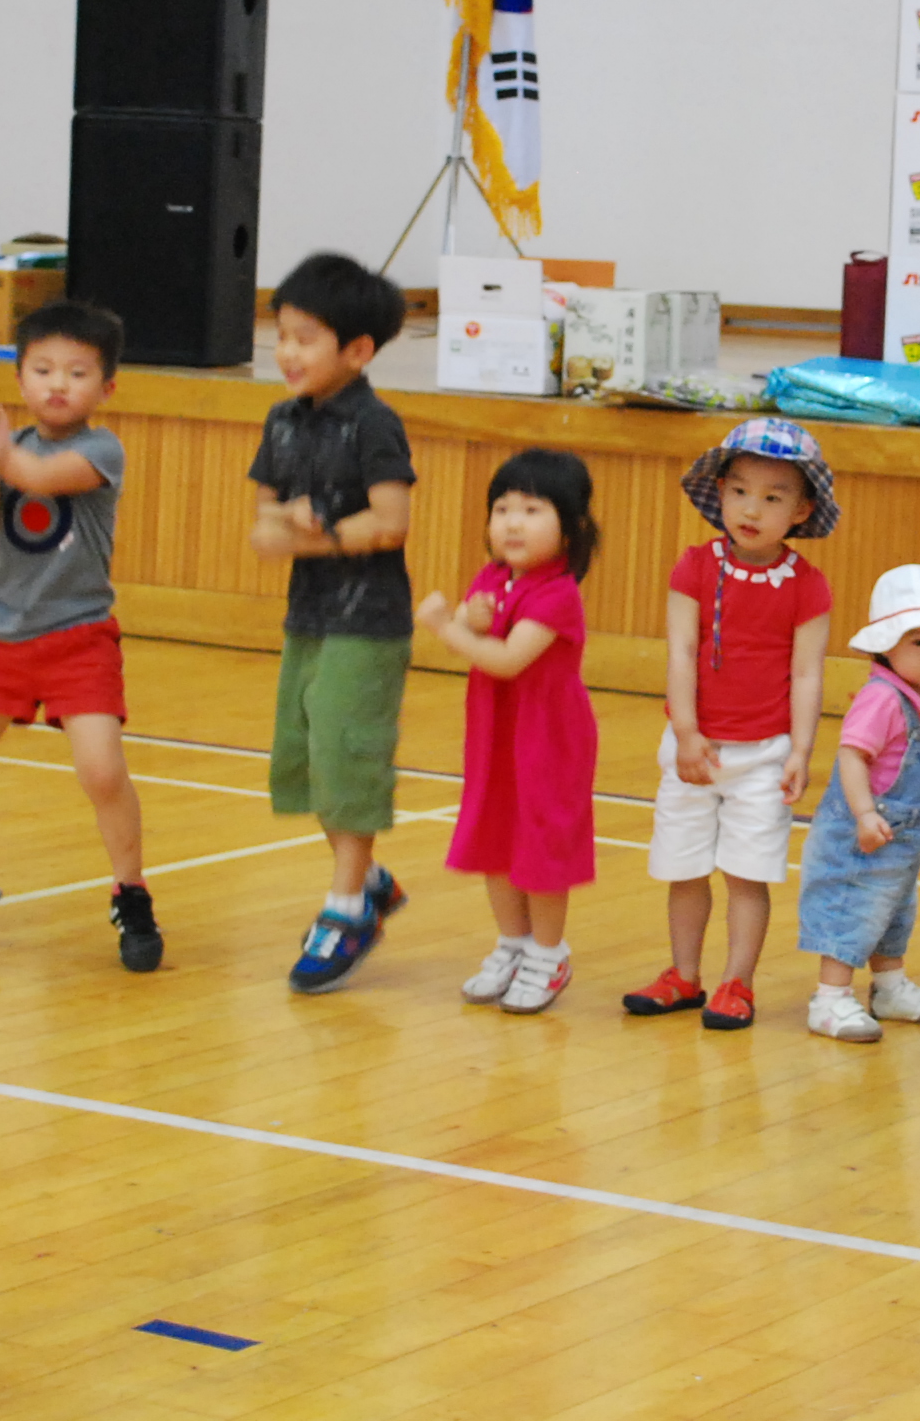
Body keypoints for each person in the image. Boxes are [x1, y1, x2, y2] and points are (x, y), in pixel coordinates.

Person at [0, 300, 157, 965]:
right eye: (42, 370)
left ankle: (130, 891)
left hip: (79, 639)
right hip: (0, 637)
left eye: (77, 372)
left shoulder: (100, 450)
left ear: (107, 388)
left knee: (101, 770)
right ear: (19, 379)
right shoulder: (6, 449)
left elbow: (39, 477)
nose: (58, 384)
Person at [627, 416, 843, 1029]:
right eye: (741, 491)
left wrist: (800, 751)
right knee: (684, 868)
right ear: (719, 492)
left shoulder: (808, 586)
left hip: (764, 755)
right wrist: (687, 734)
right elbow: (680, 652)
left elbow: (807, 674)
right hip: (693, 750)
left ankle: (737, 983)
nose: (752, 508)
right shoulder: (694, 566)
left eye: (773, 498)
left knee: (748, 875)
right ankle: (684, 975)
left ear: (801, 511)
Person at [256, 253, 419, 992]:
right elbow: (263, 527)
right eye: (282, 336)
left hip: (368, 622)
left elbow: (390, 521)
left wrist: (313, 530)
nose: (287, 352)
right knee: (311, 760)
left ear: (357, 350)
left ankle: (347, 906)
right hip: (309, 617)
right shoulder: (282, 422)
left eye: (305, 338)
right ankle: (371, 880)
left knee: (347, 758)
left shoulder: (375, 424)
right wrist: (289, 526)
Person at [434, 449, 601, 1014]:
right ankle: (512, 944)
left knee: (542, 846)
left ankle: (548, 955)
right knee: (496, 838)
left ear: (570, 528)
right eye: (502, 508)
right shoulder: (493, 579)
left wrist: (445, 627)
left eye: (532, 510)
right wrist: (467, 620)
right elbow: (473, 624)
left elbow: (507, 660)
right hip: (495, 734)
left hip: (549, 739)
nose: (512, 522)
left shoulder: (557, 594)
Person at [795, 566, 920, 1042]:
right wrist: (864, 814)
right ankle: (830, 997)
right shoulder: (882, 697)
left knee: (893, 909)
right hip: (863, 835)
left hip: (899, 840)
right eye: (918, 642)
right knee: (851, 906)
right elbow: (852, 756)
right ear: (886, 645)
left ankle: (889, 985)